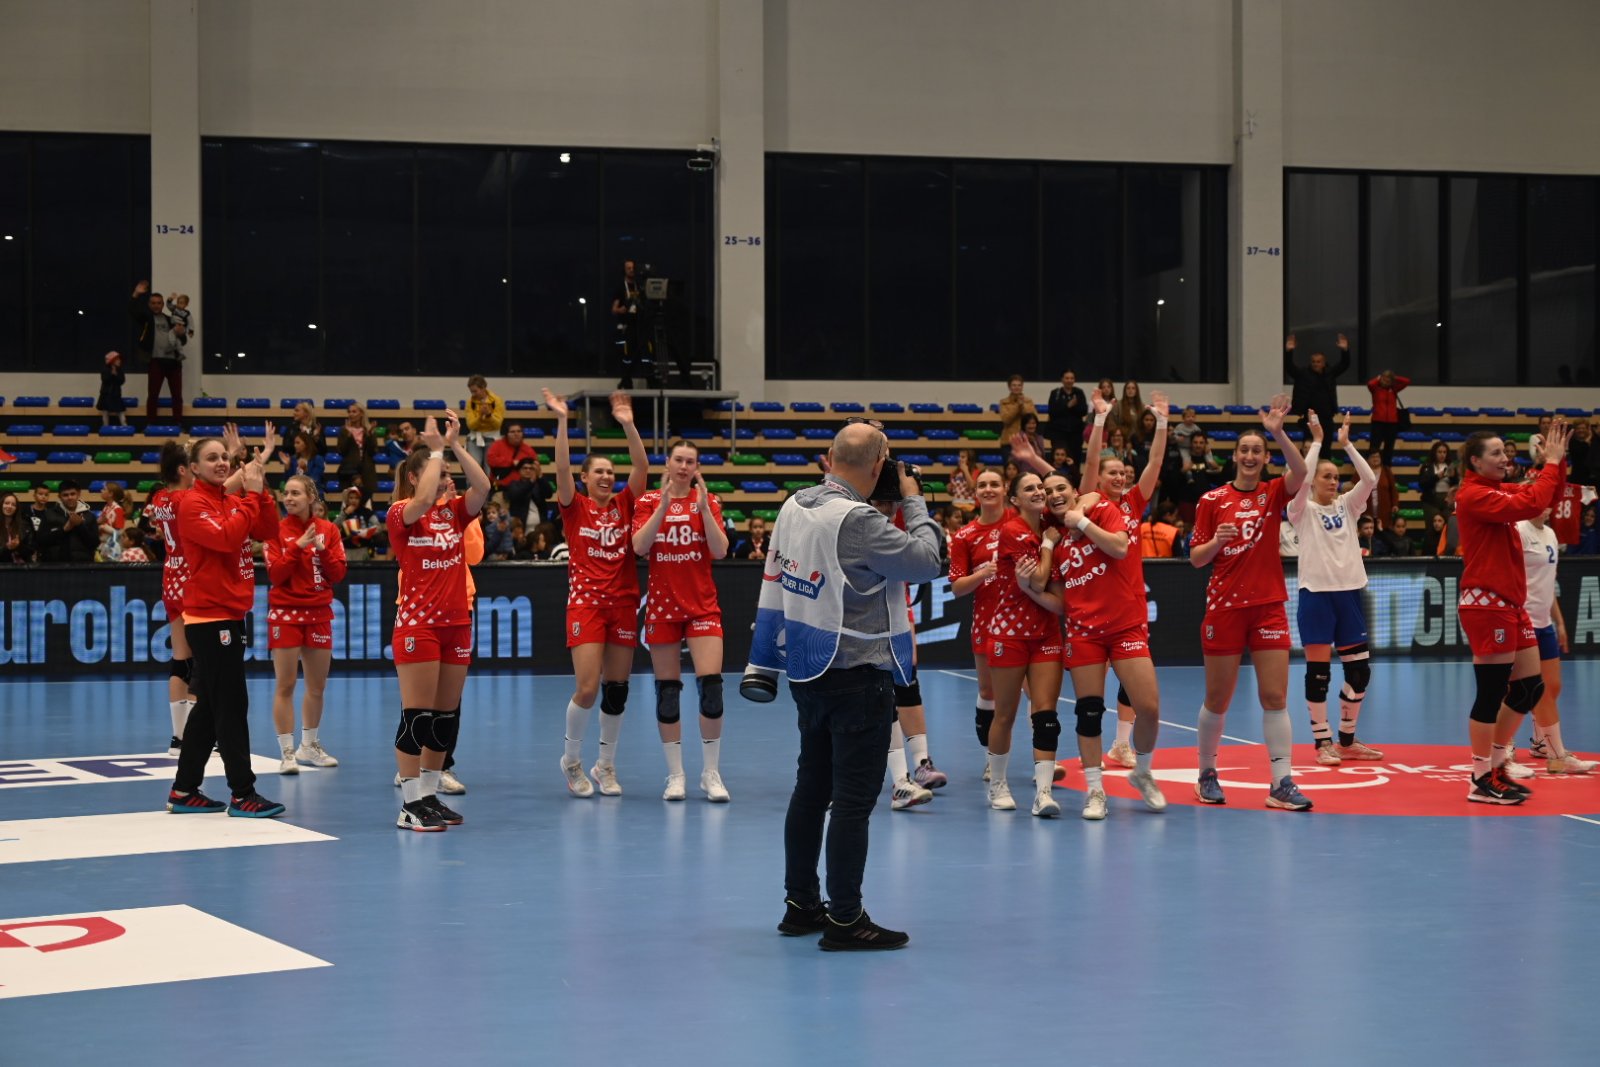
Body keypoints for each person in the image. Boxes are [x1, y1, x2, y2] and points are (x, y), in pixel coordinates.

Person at [745, 422, 941, 950]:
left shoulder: (796, 503)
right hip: (857, 673)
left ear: (829, 457)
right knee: (853, 803)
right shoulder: (859, 521)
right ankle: (846, 919)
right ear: (879, 465)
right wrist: (914, 501)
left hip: (808, 667)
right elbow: (927, 561)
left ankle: (801, 905)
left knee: (811, 790)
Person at [1188, 394, 1313, 810]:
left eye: (1257, 450)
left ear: (1264, 458)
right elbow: (1196, 558)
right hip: (1224, 607)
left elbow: (1301, 471)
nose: (1250, 456)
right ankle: (1206, 773)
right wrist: (1215, 541)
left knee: (1275, 697)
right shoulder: (1212, 501)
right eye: (1244, 449)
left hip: (1269, 606)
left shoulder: (1274, 492)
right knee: (1218, 699)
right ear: (1235, 456)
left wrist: (1278, 432)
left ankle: (1281, 783)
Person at [1025, 471, 1169, 819]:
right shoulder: (1053, 540)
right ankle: (1095, 791)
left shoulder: (1102, 509)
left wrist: (1082, 522)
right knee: (1088, 712)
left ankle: (1143, 771)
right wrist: (1030, 588)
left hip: (1125, 627)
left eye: (1061, 488)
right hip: (1084, 633)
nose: (1055, 494)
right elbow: (1060, 602)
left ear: (1075, 491)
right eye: (1048, 491)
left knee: (1148, 707)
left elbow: (1119, 547)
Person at [167, 427, 284, 818]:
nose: (220, 463)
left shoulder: (227, 499)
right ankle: (243, 793)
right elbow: (229, 539)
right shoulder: (192, 503)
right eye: (212, 458)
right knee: (232, 705)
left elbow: (268, 531)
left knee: (209, 706)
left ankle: (184, 789)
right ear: (193, 468)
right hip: (209, 617)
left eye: (224, 457)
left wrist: (260, 493)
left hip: (229, 613)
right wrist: (249, 497)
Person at [1453, 420, 1571, 804]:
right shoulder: (1473, 495)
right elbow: (1531, 503)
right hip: (1486, 604)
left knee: (1528, 688)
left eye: (1505, 451)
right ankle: (1479, 777)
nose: (1505, 457)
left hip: (1511, 605)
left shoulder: (1494, 489)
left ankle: (1497, 765)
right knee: (1491, 692)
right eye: (1496, 453)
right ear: (1475, 461)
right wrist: (1549, 466)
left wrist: (1556, 462)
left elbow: (1544, 498)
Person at [1057, 389, 1173, 782]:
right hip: (1091, 612)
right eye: (1113, 473)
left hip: (1128, 608)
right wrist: (1101, 418)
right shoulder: (1088, 502)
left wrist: (1162, 423)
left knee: (1137, 691)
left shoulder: (1134, 503)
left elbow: (1155, 461)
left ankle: (1125, 746)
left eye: (1123, 473)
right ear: (1099, 480)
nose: (1120, 477)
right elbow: (1092, 460)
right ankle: (1096, 767)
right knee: (1091, 699)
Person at [387, 411, 492, 830]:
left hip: (456, 625)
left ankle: (429, 796)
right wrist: (433, 452)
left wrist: (455, 446)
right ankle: (410, 803)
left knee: (444, 719)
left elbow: (483, 487)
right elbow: (420, 502)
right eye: (438, 473)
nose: (446, 480)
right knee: (418, 717)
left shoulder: (455, 514)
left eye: (448, 474)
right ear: (415, 478)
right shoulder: (401, 513)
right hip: (419, 626)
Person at [547, 388, 648, 791]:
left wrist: (628, 424)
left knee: (616, 690)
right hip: (586, 605)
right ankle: (571, 760)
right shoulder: (575, 507)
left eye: (610, 471)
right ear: (585, 478)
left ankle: (605, 765)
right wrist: (561, 421)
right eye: (599, 472)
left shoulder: (625, 504)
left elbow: (641, 466)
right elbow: (561, 469)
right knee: (588, 689)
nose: (607, 476)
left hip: (622, 604)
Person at [630, 437, 731, 801]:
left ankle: (710, 773)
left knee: (712, 689)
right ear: (668, 464)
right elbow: (639, 547)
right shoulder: (647, 501)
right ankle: (676, 775)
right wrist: (662, 506)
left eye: (691, 462)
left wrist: (704, 511)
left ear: (696, 468)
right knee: (668, 694)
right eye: (679, 460)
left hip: (702, 607)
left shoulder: (709, 501)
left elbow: (720, 550)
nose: (684, 467)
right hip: (663, 608)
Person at [1287, 413, 1384, 765]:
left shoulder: (1348, 505)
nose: (1333, 481)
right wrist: (1316, 443)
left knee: (1359, 673)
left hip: (1349, 595)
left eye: (1335, 476)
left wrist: (1347, 445)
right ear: (1314, 480)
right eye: (1326, 476)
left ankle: (1347, 739)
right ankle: (1322, 742)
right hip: (1316, 596)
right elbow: (1300, 480)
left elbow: (1370, 478)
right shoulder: (1301, 510)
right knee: (1319, 674)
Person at [978, 471, 1066, 816]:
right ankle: (998, 784)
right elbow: (1039, 580)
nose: (1038, 492)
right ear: (1015, 499)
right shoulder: (1014, 531)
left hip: (1046, 634)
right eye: (1029, 488)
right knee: (1005, 714)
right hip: (1009, 633)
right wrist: (1048, 545)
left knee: (1046, 714)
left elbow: (1047, 589)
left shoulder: (1050, 525)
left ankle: (1043, 793)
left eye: (1040, 487)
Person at [265, 474, 347, 774]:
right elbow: (275, 575)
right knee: (285, 684)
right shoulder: (275, 531)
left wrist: (322, 550)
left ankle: (308, 746)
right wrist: (298, 547)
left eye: (295, 493)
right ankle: (287, 752)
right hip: (285, 614)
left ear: (311, 497)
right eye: (286, 493)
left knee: (317, 686)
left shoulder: (329, 530)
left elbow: (338, 574)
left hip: (319, 614)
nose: (288, 498)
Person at [1513, 506, 1596, 775]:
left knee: (1552, 687)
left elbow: (1547, 585)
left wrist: (1558, 622)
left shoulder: (1550, 534)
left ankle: (1542, 744)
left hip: (1544, 622)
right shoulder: (1519, 531)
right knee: (1516, 687)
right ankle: (1505, 750)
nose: (1547, 506)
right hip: (1521, 619)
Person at [947, 468, 1012, 783]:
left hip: (1024, 618)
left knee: (1034, 692)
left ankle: (1045, 758)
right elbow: (957, 587)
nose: (988, 489)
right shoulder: (965, 535)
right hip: (987, 621)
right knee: (988, 690)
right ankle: (991, 758)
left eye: (994, 484)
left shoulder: (1021, 522)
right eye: (983, 485)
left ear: (1005, 489)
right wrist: (982, 573)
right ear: (975, 493)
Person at [129, 280, 187, 422]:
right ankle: (151, 424)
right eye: (153, 303)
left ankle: (178, 424)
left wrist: (181, 334)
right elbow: (132, 310)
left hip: (173, 363)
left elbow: (183, 340)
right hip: (155, 361)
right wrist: (136, 293)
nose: (156, 305)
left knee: (177, 396)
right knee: (153, 395)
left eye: (159, 303)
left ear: (162, 305)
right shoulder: (147, 319)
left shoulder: (171, 319)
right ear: (149, 305)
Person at [1284, 332, 1350, 433]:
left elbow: (1344, 364)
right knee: (1310, 441)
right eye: (1313, 362)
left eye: (1318, 362)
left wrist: (1345, 350)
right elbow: (1289, 367)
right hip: (1309, 417)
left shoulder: (1330, 373)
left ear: (1323, 363)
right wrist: (1289, 351)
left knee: (1326, 441)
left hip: (1327, 416)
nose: (1315, 364)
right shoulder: (1303, 374)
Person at [34, 480, 99, 563]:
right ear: (59, 496)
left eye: (73, 494)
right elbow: (40, 541)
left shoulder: (89, 516)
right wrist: (64, 529)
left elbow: (94, 543)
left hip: (83, 565)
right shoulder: (48, 515)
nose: (70, 497)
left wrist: (80, 525)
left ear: (78, 494)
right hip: (55, 566)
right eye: (65, 495)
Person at [336, 403, 380, 504]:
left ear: (361, 414)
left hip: (366, 473)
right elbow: (341, 451)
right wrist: (348, 436)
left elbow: (373, 451)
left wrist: (370, 435)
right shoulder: (344, 430)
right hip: (348, 472)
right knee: (348, 506)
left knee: (366, 506)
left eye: (354, 411)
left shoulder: (368, 430)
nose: (350, 414)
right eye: (349, 412)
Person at [1365, 368, 1410, 465]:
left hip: (1392, 423)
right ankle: (1370, 467)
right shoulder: (1375, 389)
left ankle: (1386, 468)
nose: (1386, 382)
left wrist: (1394, 377)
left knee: (1389, 448)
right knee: (1374, 446)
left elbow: (1406, 381)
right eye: (1384, 379)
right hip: (1378, 422)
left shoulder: (1394, 389)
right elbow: (1370, 384)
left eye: (1388, 380)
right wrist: (1378, 378)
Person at [612, 260, 644, 388]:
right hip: (626, 326)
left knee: (639, 354)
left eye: (633, 268)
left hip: (639, 326)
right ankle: (626, 381)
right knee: (626, 355)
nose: (631, 270)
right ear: (624, 270)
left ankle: (632, 378)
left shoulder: (639, 286)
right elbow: (614, 309)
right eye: (628, 268)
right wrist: (621, 309)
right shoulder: (621, 287)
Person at [464, 375, 506, 469]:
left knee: (489, 470)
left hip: (492, 438)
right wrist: (480, 416)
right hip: (474, 438)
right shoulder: (470, 402)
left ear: (483, 388)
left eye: (475, 391)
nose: (473, 394)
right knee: (473, 468)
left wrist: (489, 415)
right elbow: (471, 425)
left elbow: (498, 424)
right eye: (471, 391)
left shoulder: (497, 401)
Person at [1046, 370, 1087, 466]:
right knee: (1058, 459)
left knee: (1075, 459)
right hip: (1058, 434)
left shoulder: (1079, 392)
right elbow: (1052, 412)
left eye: (1072, 378)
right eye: (1067, 378)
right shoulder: (1055, 393)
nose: (1069, 380)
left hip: (1075, 434)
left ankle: (1074, 475)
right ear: (1062, 379)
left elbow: (1083, 411)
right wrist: (1067, 406)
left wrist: (1073, 407)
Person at [502, 455, 554, 528]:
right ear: (519, 470)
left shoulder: (539, 484)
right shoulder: (514, 484)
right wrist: (531, 482)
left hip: (539, 527)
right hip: (520, 527)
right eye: (525, 468)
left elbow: (549, 494)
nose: (528, 470)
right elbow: (515, 495)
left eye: (531, 468)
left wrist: (540, 476)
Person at [1418, 441, 1459, 528]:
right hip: (1431, 501)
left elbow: (1456, 484)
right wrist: (1437, 477)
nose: (1442, 455)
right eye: (1439, 452)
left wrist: (1453, 477)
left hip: (1447, 500)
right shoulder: (1427, 466)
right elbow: (1422, 484)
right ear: (1434, 453)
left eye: (1444, 452)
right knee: (1432, 527)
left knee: (1450, 525)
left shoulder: (1451, 466)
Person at [486, 422, 538, 488]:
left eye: (519, 431)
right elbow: (491, 460)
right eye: (512, 432)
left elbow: (535, 467)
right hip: (500, 487)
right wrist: (512, 462)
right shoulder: (497, 445)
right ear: (506, 434)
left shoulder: (528, 450)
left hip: (523, 488)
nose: (516, 434)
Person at [278, 403, 321, 468]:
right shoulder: (291, 428)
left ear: (306, 413)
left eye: (297, 410)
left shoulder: (316, 428)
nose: (294, 413)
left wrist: (316, 439)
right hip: (294, 464)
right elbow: (286, 447)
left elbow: (323, 450)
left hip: (313, 464)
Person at [998, 374, 1037, 444]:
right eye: (1014, 385)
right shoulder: (1004, 402)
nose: (1017, 387)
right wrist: (1017, 406)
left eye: (1019, 385)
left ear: (1022, 387)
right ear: (1009, 387)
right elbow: (1006, 420)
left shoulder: (1029, 401)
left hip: (1026, 440)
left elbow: (1033, 418)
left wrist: (1022, 406)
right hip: (1009, 440)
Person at [1366, 447, 1397, 531]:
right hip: (1366, 509)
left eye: (1377, 456)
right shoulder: (1362, 471)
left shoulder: (1387, 471)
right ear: (1367, 459)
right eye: (1373, 457)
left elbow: (1393, 489)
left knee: (1384, 532)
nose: (1375, 459)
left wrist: (1395, 504)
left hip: (1384, 509)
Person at [0, 491, 34, 564]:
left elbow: (31, 550)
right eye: (6, 503)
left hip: (22, 567)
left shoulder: (25, 525)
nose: (10, 506)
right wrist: (7, 548)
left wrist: (19, 546)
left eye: (13, 505)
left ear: (16, 508)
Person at [97, 351, 126, 427]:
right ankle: (105, 427)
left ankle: (124, 426)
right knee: (105, 412)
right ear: (112, 361)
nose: (119, 361)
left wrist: (116, 375)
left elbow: (122, 381)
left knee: (120, 411)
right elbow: (105, 379)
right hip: (106, 394)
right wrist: (111, 374)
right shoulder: (105, 369)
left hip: (116, 394)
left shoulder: (119, 370)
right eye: (117, 359)